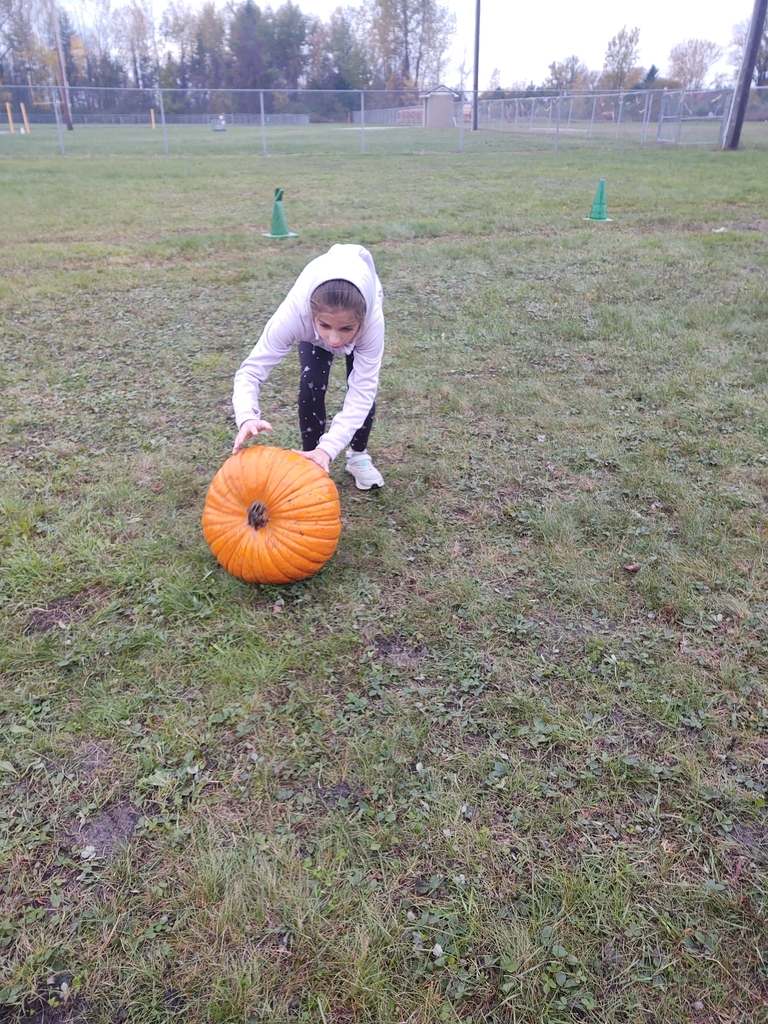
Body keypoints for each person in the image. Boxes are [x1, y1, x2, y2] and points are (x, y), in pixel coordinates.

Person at [231, 243, 385, 490]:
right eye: (325, 326)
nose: (334, 340)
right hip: (309, 315)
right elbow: (250, 371)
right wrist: (246, 415)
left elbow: (362, 390)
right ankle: (311, 460)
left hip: (360, 309)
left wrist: (331, 447)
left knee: (358, 386)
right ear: (312, 314)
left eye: (346, 329)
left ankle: (357, 454)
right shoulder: (294, 315)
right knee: (311, 378)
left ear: (361, 322)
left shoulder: (371, 323)